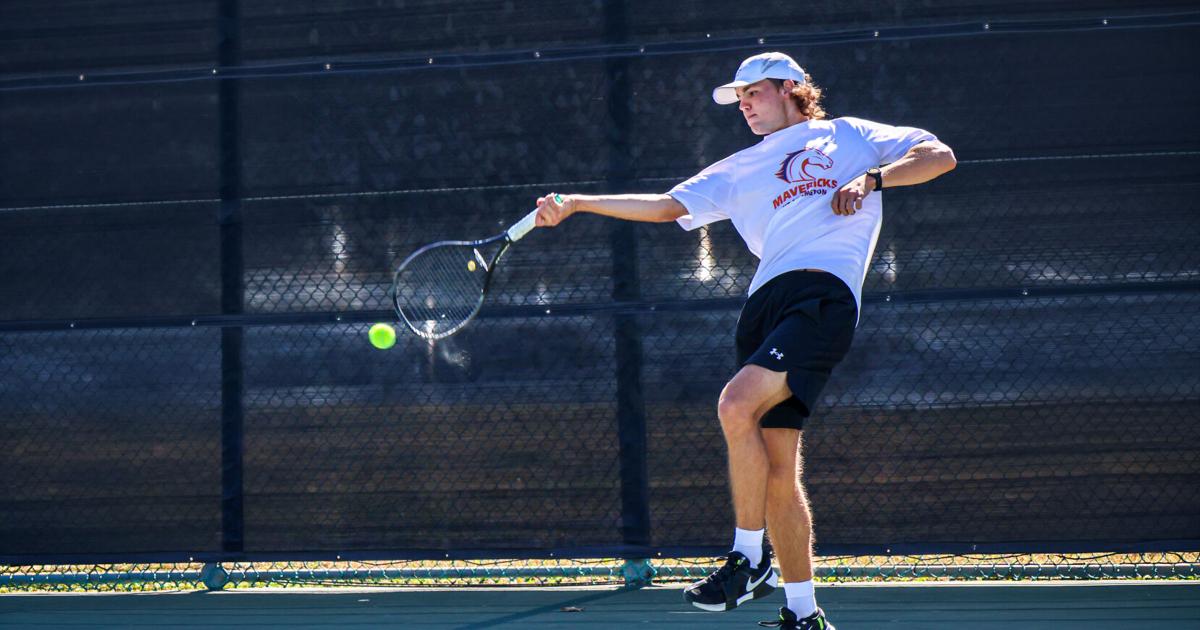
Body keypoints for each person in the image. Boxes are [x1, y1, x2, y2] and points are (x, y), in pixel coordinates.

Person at [533, 51, 956, 630]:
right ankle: (804, 615)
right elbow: (663, 206)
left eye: (753, 93)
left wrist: (872, 177)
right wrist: (579, 203)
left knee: (735, 403)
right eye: (739, 99)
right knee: (779, 469)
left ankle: (749, 556)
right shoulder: (737, 167)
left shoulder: (852, 135)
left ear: (789, 88)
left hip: (823, 298)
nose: (746, 106)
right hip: (764, 308)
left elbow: (939, 156)